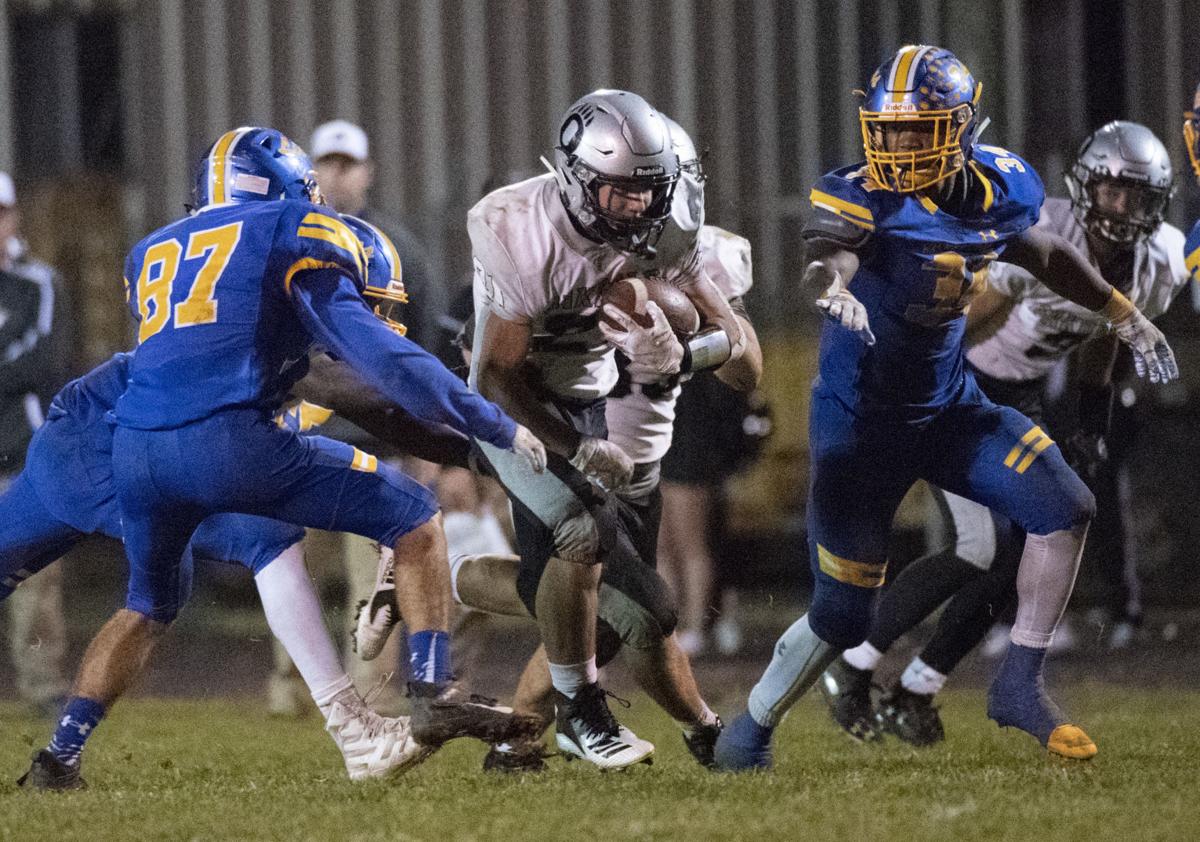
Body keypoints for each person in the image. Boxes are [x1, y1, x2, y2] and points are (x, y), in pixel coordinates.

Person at [17, 127, 546, 789]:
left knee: (148, 605)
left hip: (136, 451)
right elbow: (378, 357)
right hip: (227, 439)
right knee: (414, 515)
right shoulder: (291, 230)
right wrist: (489, 423)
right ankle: (433, 692)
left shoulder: (150, 250)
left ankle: (58, 758)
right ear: (291, 184)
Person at [714, 46, 1177, 771]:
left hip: (950, 408)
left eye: (916, 130)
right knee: (842, 614)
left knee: (1066, 505)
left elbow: (1042, 252)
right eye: (887, 130)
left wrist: (1124, 314)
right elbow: (828, 252)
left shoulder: (999, 186)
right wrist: (828, 286)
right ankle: (751, 728)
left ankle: (1019, 683)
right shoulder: (860, 195)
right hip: (862, 427)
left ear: (961, 128)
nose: (896, 147)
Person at [819, 121, 1187, 746]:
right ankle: (852, 669)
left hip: (1021, 393)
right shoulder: (1041, 231)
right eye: (1112, 191)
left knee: (1018, 554)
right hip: (958, 387)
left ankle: (918, 686)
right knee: (980, 548)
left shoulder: (1160, 262)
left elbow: (1105, 338)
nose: (1123, 207)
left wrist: (1091, 418)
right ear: (1085, 186)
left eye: (1138, 195)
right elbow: (959, 326)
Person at [462, 91, 751, 768]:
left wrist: (697, 343)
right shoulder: (516, 225)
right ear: (575, 176)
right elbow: (499, 375)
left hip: (602, 410)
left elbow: (745, 363)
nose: (637, 209)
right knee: (587, 546)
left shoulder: (670, 230)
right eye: (619, 192)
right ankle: (578, 709)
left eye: (651, 192)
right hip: (512, 408)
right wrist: (579, 448)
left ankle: (455, 582)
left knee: (638, 612)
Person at [0, 171, 72, 717]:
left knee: (33, 579)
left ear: (13, 218)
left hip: (20, 448)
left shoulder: (37, 282)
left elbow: (44, 361)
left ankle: (42, 689)